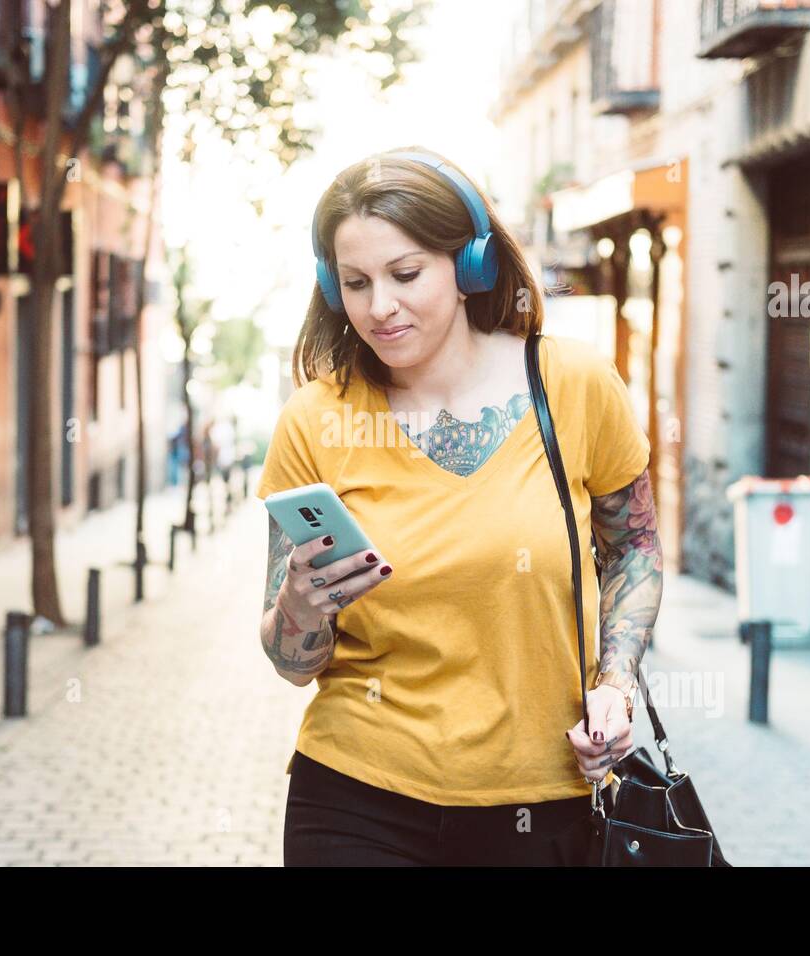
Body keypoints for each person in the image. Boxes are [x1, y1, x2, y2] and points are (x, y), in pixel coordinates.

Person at [255, 147, 663, 866]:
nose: (380, 307)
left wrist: (614, 685)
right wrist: (301, 605)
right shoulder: (314, 420)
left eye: (405, 274)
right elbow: (294, 663)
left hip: (538, 801)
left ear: (471, 265)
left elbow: (631, 548)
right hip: (353, 793)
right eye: (355, 282)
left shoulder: (573, 384)